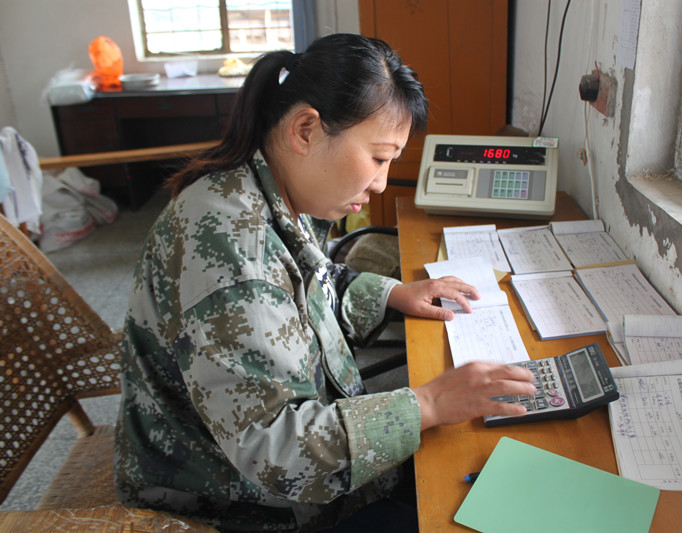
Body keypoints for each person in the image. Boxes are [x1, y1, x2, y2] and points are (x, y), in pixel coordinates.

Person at [113, 33, 535, 532]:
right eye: (378, 157)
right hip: (231, 496)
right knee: (459, 494)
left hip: (275, 457)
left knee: (466, 464)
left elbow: (308, 282)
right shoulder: (234, 251)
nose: (381, 182)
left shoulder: (269, 188)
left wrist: (394, 293)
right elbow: (274, 450)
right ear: (306, 129)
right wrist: (427, 403)